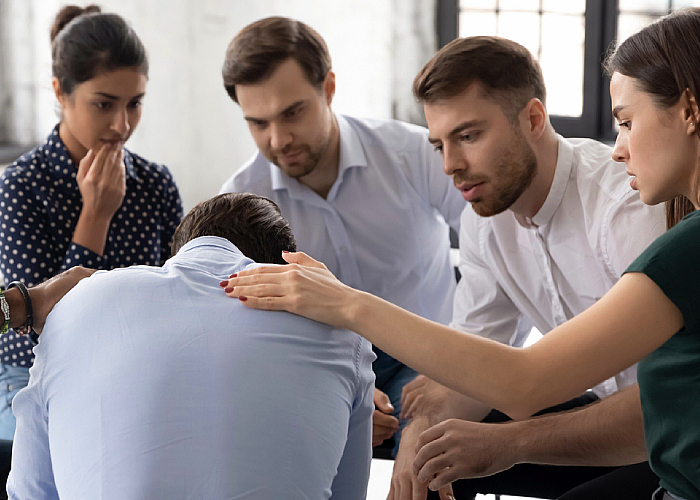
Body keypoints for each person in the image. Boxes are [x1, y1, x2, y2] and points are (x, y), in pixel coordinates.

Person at [222, 8, 700, 500]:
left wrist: (346, 303)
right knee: (435, 455)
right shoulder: (484, 223)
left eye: (468, 136)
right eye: (440, 145)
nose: (451, 166)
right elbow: (475, 363)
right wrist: (420, 431)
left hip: (661, 438)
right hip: (610, 411)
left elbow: (642, 403)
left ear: (534, 119)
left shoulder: (627, 203)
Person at [8, 192, 375, 500]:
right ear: (280, 268)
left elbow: (31, 491)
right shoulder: (342, 329)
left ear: (176, 258)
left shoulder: (75, 303)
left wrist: (20, 304)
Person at [218, 16, 465, 454]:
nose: (279, 139)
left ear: (328, 88)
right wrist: (324, 391)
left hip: (430, 353)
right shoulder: (241, 200)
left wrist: (461, 365)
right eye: (258, 123)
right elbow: (240, 329)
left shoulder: (412, 154)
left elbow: (495, 252)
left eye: (292, 112)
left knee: (437, 454)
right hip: (319, 366)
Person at [0, 5, 183, 440]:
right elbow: (30, 331)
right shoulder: (22, 186)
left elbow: (180, 295)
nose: (122, 125)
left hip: (138, 371)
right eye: (104, 105)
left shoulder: (155, 184)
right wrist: (95, 217)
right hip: (30, 377)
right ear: (61, 94)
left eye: (134, 104)